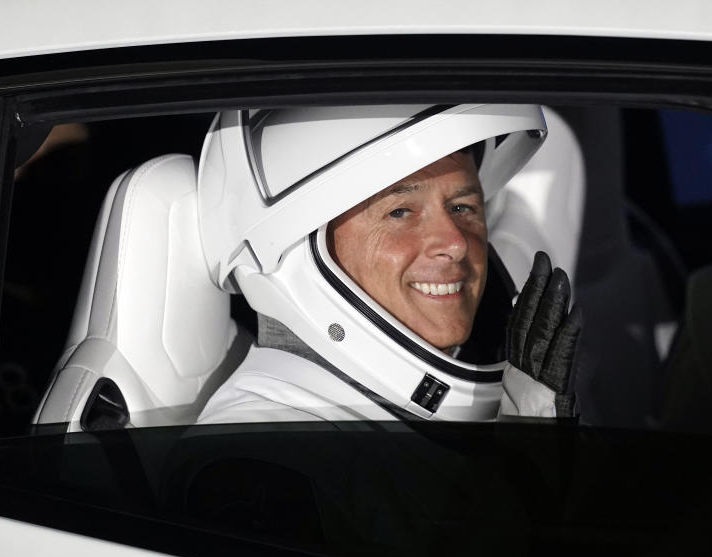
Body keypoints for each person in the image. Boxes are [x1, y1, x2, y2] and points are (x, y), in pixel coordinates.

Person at [195, 104, 581, 424]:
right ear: (295, 248)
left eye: (463, 207)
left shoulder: (502, 404)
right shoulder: (258, 449)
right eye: (400, 212)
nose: (456, 243)